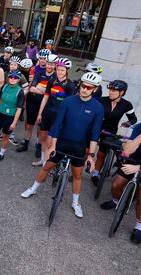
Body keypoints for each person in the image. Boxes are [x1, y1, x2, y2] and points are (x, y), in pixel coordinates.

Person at [21, 72, 104, 218]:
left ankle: (75, 203)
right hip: (61, 142)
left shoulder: (98, 108)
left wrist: (91, 156)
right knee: (47, 166)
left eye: (89, 88)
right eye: (83, 86)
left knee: (77, 175)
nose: (84, 89)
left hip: (79, 146)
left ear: (95, 89)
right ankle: (33, 188)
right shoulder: (68, 101)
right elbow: (57, 124)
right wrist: (52, 146)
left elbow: (95, 134)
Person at [99, 122, 141, 244]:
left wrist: (138, 168)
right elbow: (127, 149)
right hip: (133, 160)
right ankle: (116, 200)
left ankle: (139, 225)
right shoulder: (138, 127)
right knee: (116, 185)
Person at [91, 80, 137, 185]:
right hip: (96, 128)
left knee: (101, 154)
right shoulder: (101, 100)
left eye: (114, 90)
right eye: (110, 89)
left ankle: (95, 174)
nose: (111, 92)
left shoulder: (126, 105)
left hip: (110, 132)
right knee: (87, 149)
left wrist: (128, 123)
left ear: (122, 92)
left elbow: (134, 119)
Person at [35, 57, 75, 164]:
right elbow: (46, 97)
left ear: (67, 71)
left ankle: (47, 164)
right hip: (47, 112)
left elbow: (69, 104)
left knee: (49, 141)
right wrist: (40, 113)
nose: (60, 72)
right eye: (58, 69)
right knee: (43, 137)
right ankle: (43, 160)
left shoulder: (70, 85)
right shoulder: (52, 81)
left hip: (58, 116)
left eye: (62, 70)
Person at [17, 49, 53, 157]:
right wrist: (44, 90)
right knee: (29, 124)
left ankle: (38, 145)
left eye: (45, 59)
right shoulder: (34, 69)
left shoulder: (53, 73)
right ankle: (26, 142)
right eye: (41, 58)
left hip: (45, 103)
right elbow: (31, 86)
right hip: (32, 99)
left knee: (40, 125)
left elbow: (51, 91)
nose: (43, 61)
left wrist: (42, 89)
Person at [0, 69, 24, 161]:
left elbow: (19, 109)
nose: (12, 79)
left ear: (18, 79)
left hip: (10, 116)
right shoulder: (4, 87)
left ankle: (1, 154)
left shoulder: (20, 92)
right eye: (11, 77)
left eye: (15, 78)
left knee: (5, 136)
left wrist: (14, 123)